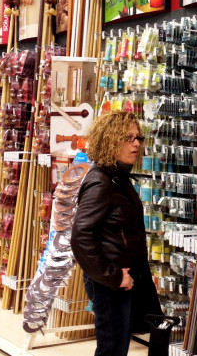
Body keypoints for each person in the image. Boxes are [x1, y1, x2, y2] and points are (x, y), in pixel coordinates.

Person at [71, 110, 161, 356]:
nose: (136, 143)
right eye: (128, 137)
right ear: (110, 140)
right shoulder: (101, 182)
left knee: (117, 347)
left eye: (138, 138)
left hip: (126, 280)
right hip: (110, 283)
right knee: (112, 349)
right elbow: (81, 236)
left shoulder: (119, 179)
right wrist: (112, 276)